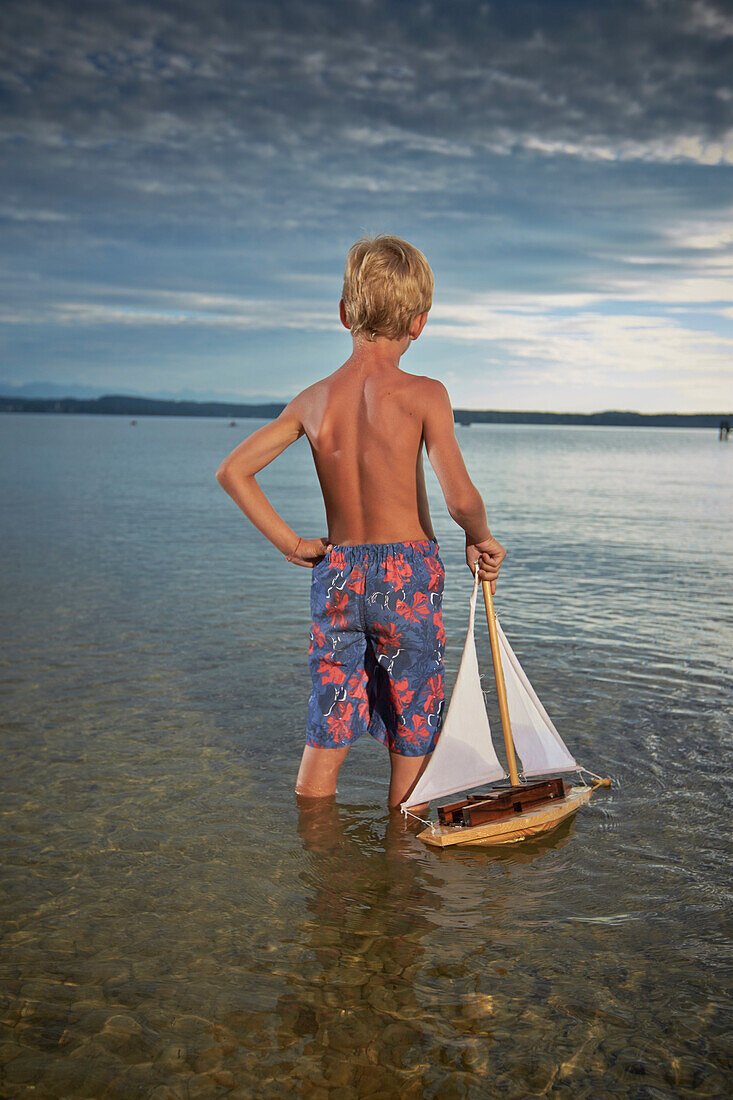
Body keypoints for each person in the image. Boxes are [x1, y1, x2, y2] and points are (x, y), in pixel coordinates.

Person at [216, 235, 506, 813]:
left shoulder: (314, 399)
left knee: (330, 714)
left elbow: (234, 470)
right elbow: (459, 498)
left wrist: (291, 543)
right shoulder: (425, 394)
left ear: (344, 312)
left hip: (339, 571)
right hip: (407, 574)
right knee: (413, 720)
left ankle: (319, 863)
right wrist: (481, 537)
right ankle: (404, 865)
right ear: (420, 323)